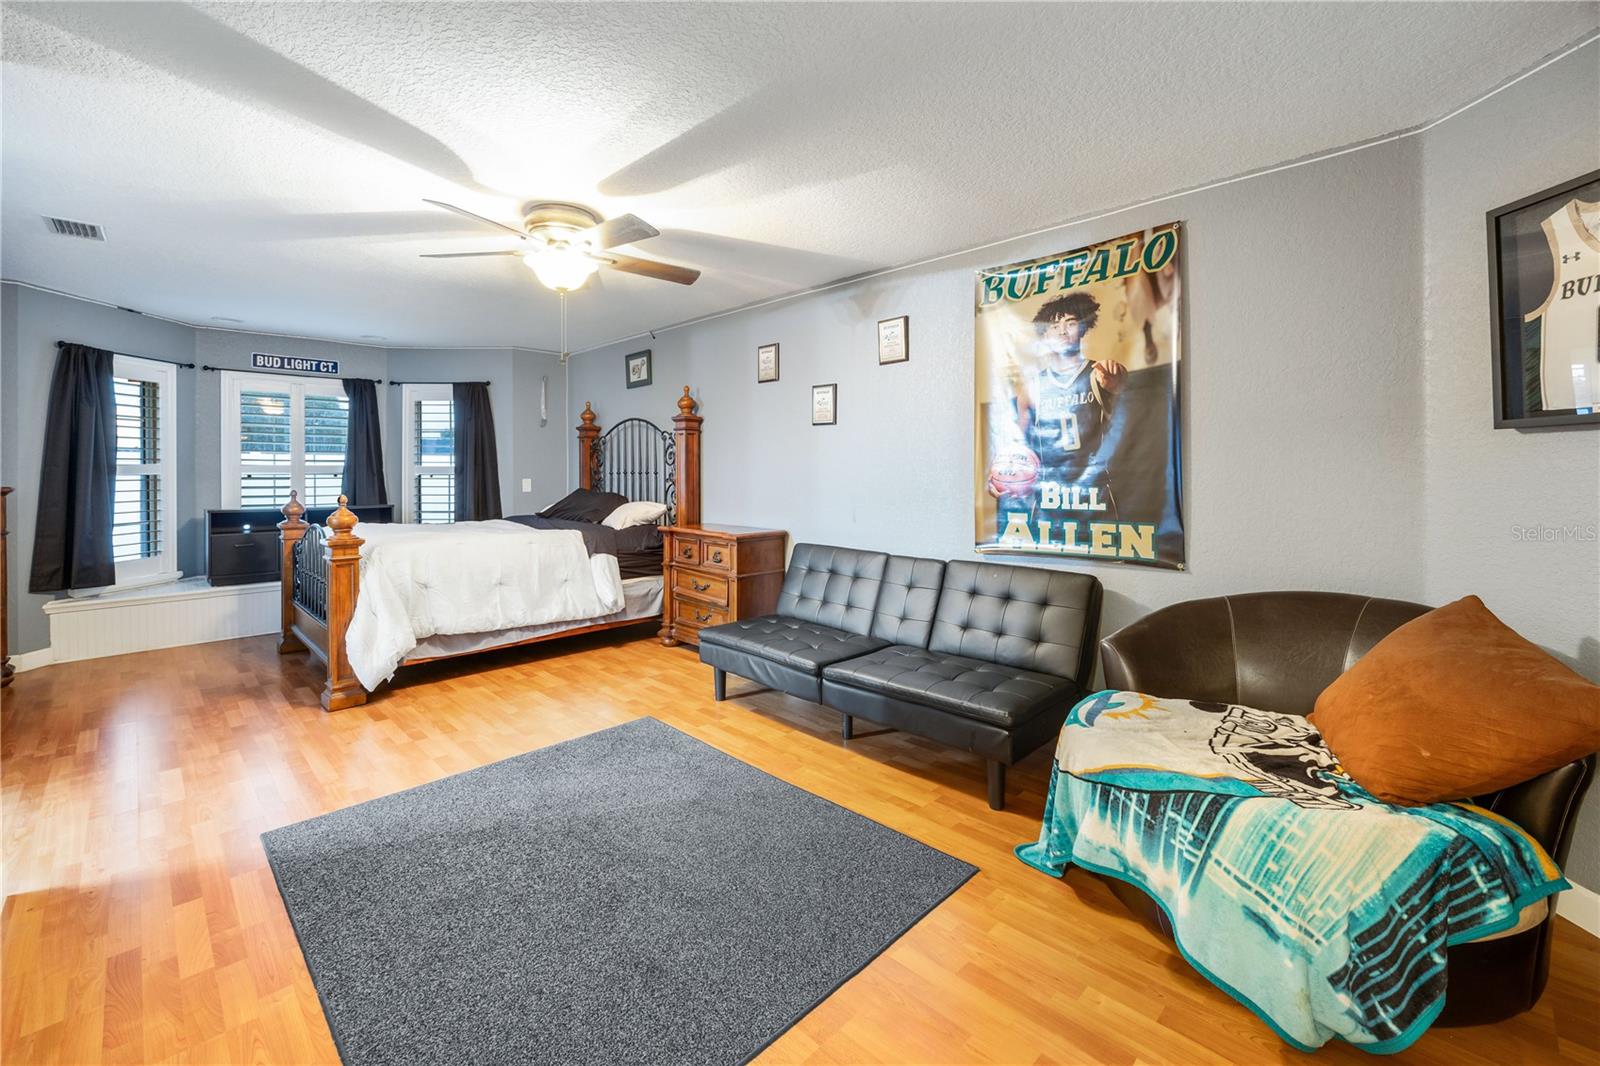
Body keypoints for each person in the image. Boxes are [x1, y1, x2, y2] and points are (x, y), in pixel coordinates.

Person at [986, 292, 1126, 529]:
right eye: (1054, 326)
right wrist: (999, 478)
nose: (1062, 331)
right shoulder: (1032, 388)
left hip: (1095, 495)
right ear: (1045, 334)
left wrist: (1117, 380)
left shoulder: (1101, 374)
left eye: (1070, 323)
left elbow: (1123, 404)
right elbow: (1017, 447)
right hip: (1048, 499)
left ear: (1083, 328)